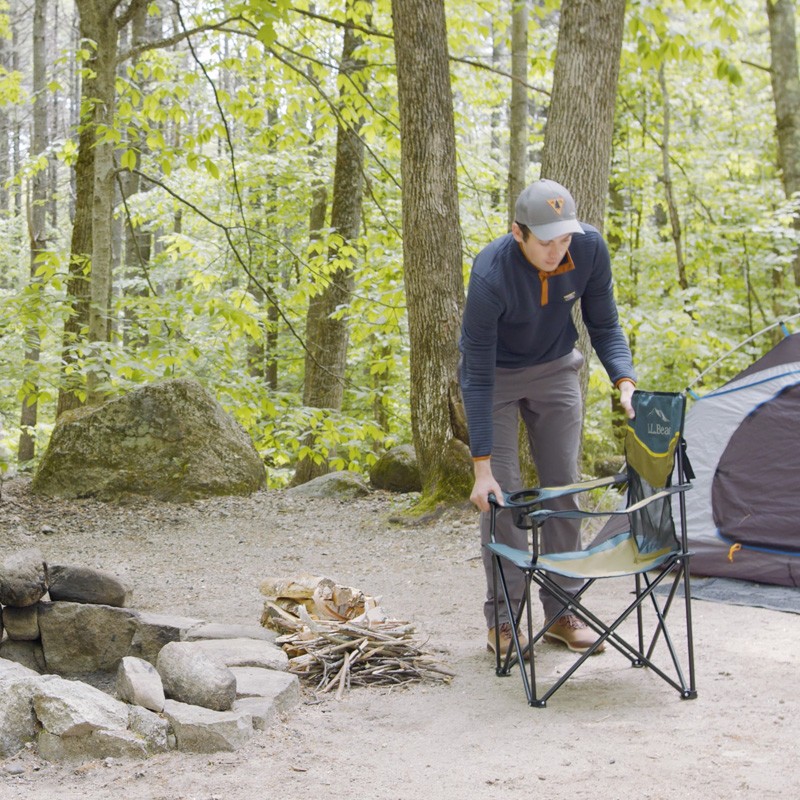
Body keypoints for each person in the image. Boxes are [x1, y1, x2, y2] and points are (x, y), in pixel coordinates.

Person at [459, 178, 636, 657]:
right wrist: (481, 469)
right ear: (519, 233)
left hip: (557, 368)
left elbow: (605, 323)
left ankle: (562, 612)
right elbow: (475, 375)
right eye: (546, 241)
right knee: (505, 498)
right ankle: (504, 622)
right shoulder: (491, 274)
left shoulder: (589, 249)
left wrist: (623, 379)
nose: (558, 250)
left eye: (564, 238)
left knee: (562, 489)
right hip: (495, 376)